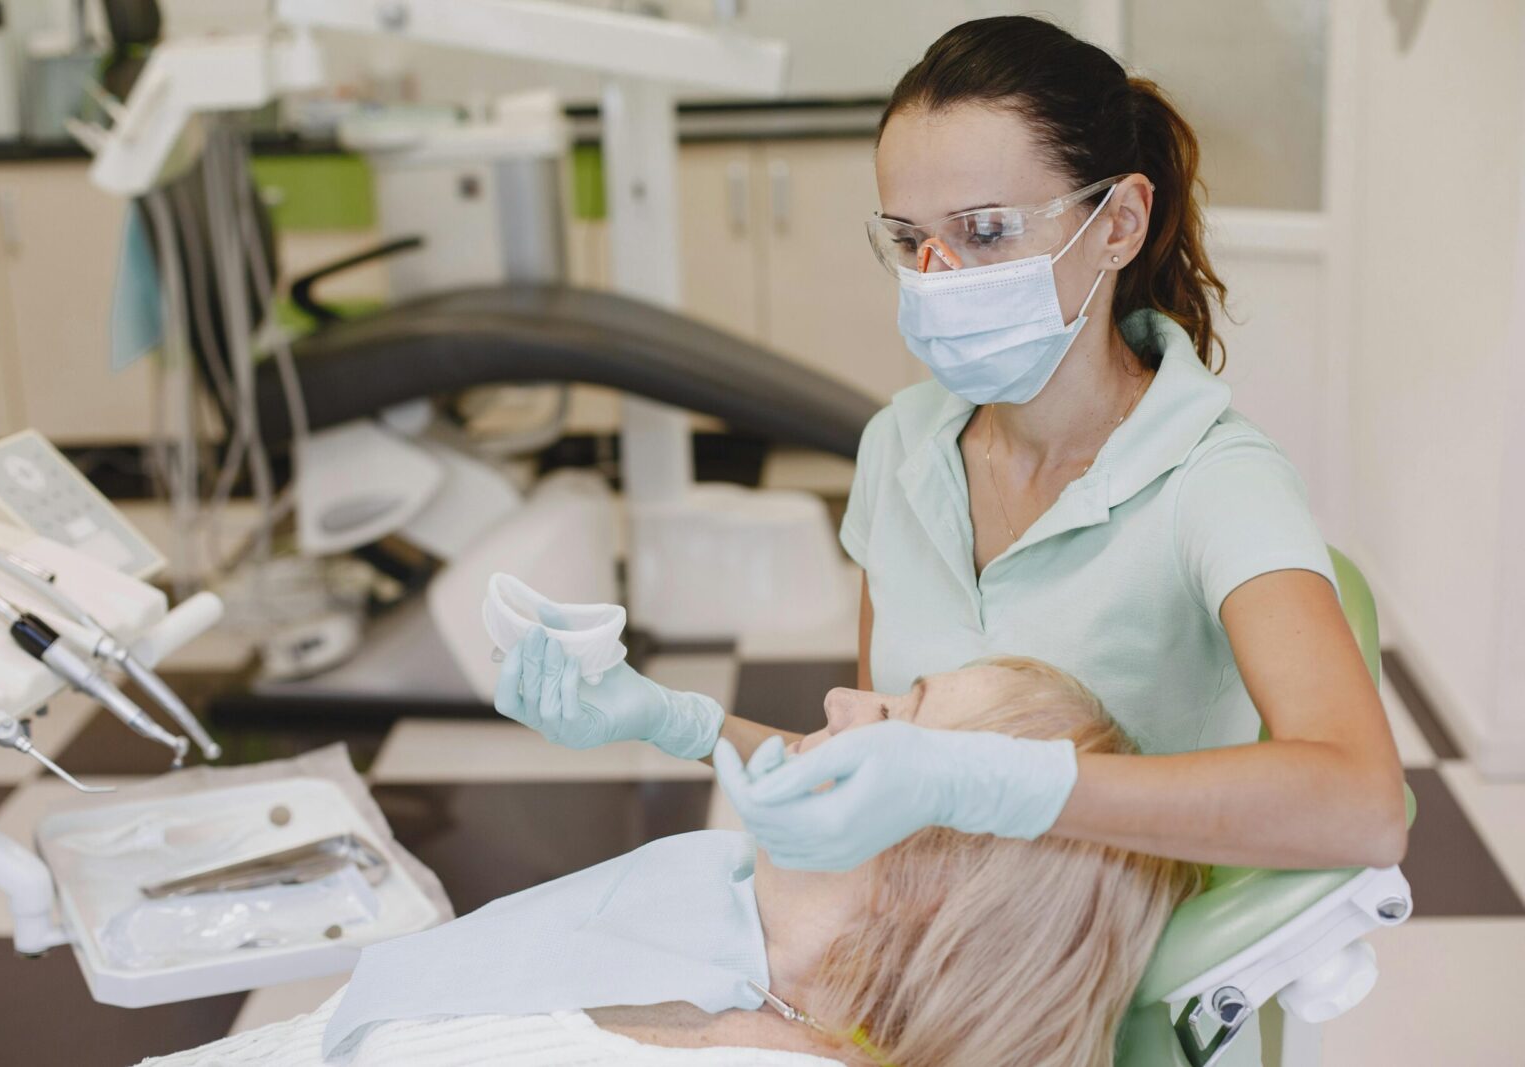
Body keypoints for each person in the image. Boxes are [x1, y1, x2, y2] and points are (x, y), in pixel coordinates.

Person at [495, 16, 1407, 880]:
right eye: (909, 240)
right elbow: (878, 770)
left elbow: (1362, 805)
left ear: (1119, 225)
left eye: (983, 231)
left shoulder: (1217, 481)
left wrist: (991, 784)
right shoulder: (899, 446)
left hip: (1098, 998)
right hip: (912, 951)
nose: (937, 279)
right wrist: (670, 720)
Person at [141, 659, 1198, 1067]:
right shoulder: (728, 902)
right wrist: (664, 712)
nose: (839, 699)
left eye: (896, 719)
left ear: (931, 884)